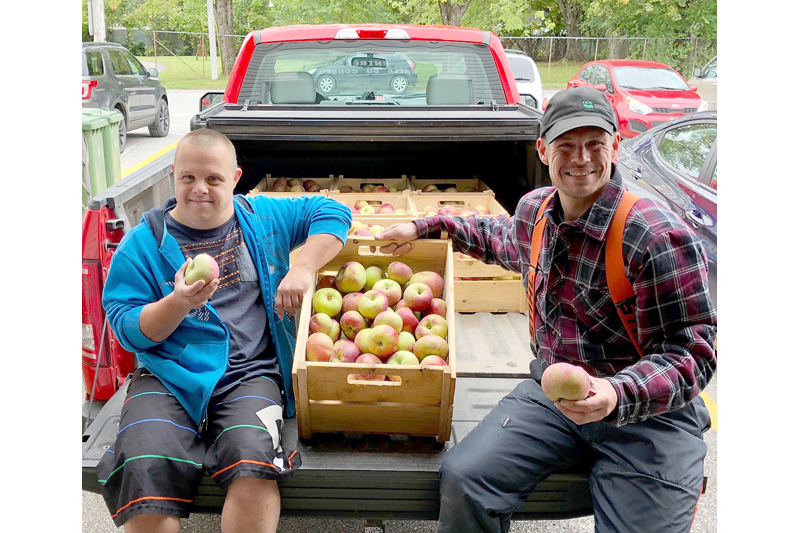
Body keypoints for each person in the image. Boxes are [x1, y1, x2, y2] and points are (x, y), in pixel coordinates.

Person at [375, 86, 716, 532]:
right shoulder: (535, 212)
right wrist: (426, 225)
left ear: (615, 146)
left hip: (648, 417)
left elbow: (693, 355)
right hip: (557, 399)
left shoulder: (655, 237)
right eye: (566, 145)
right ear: (543, 149)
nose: (582, 158)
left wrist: (616, 394)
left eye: (596, 143)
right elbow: (494, 235)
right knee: (466, 479)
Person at [98, 129, 352, 532]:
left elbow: (333, 212)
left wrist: (302, 267)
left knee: (253, 465)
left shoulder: (261, 217)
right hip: (168, 377)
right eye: (188, 178)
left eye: (213, 179)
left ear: (235, 179)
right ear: (173, 177)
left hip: (250, 374)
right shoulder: (142, 244)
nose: (199, 189)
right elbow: (128, 329)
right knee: (144, 468)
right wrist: (178, 303)